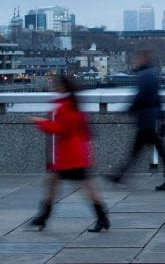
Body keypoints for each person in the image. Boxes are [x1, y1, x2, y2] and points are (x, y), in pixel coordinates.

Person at [30, 76, 109, 232]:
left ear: (63, 88)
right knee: (61, 183)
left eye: (56, 85)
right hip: (75, 153)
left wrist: (40, 122)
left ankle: (44, 216)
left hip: (70, 156)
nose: (53, 87)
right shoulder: (72, 105)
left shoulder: (65, 107)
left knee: (78, 186)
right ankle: (43, 216)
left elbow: (61, 129)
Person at [110, 49, 165, 191]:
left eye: (136, 59)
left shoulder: (145, 75)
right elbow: (158, 98)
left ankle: (119, 175)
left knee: (141, 151)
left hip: (147, 120)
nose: (134, 61)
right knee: (144, 150)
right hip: (151, 119)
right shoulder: (151, 74)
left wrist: (125, 111)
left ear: (143, 59)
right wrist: (163, 117)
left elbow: (140, 97)